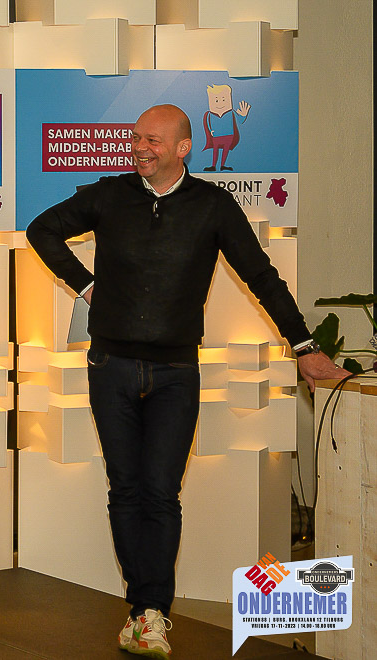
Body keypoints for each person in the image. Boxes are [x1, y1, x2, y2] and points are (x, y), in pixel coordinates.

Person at [25, 104, 348, 659]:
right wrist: (86, 285)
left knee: (160, 492)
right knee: (125, 490)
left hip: (176, 373)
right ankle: (145, 611)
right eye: (136, 138)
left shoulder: (212, 205)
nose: (140, 147)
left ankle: (149, 611)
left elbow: (261, 276)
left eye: (153, 140)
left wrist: (304, 347)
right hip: (111, 368)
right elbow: (42, 230)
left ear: (183, 148)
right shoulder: (109, 194)